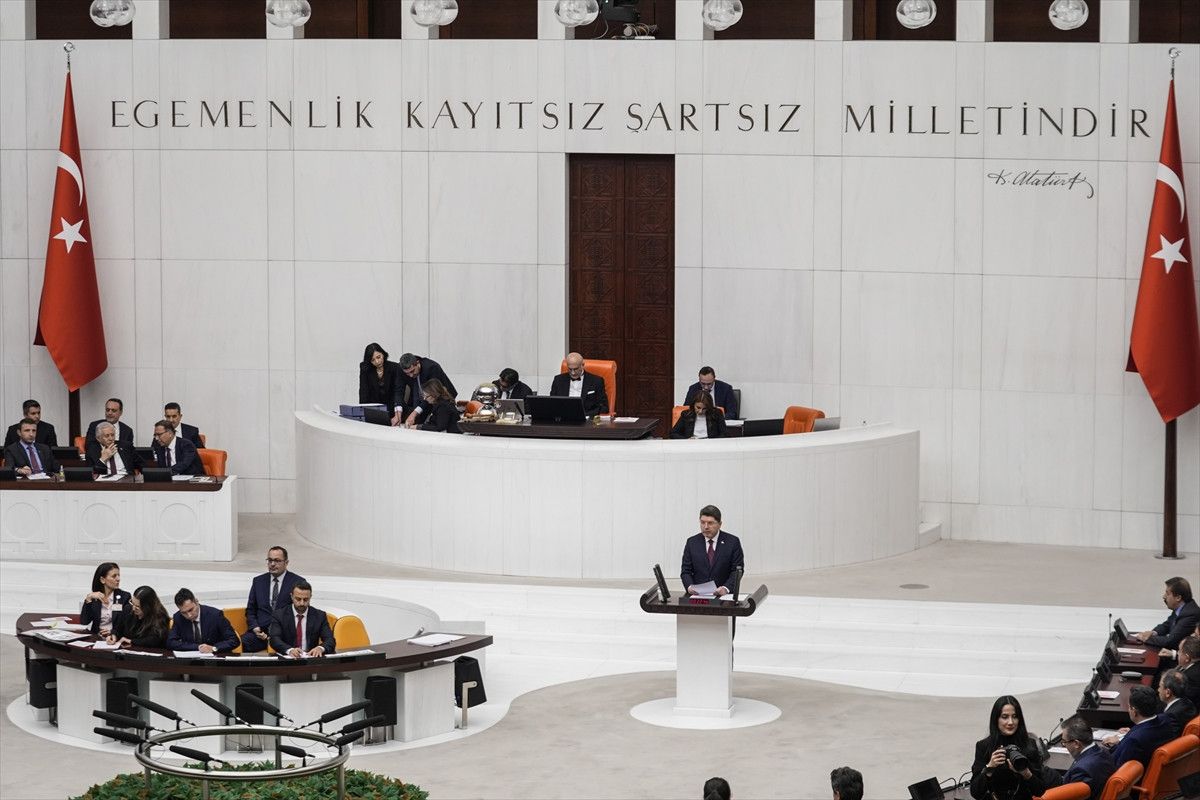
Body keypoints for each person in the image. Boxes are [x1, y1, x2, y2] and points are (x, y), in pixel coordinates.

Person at [969, 695, 1049, 800]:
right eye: (1005, 717)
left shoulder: (1029, 745)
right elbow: (975, 793)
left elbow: (1040, 791)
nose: (1011, 722)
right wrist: (989, 767)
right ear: (996, 719)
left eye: (1015, 716)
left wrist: (1026, 773)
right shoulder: (984, 746)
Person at [241, 546, 305, 652]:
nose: (272, 564)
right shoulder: (258, 581)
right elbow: (251, 610)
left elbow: (301, 610)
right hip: (260, 633)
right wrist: (255, 627)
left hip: (284, 635)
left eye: (277, 561)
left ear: (286, 562)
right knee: (238, 643)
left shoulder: (298, 582)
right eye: (270, 560)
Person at [1042, 716, 1115, 800]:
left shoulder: (1081, 770)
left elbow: (1072, 796)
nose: (1064, 745)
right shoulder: (1104, 752)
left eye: (1064, 742)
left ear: (1076, 744)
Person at [680, 505, 744, 597]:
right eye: (702, 522)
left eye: (710, 523)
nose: (706, 527)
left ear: (720, 524)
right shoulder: (692, 542)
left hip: (724, 596)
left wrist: (726, 588)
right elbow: (686, 571)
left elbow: (737, 570)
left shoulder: (732, 542)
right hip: (698, 597)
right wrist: (690, 587)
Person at [1109, 685, 1175, 770]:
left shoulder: (1134, 740)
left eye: (1129, 707)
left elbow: (1118, 770)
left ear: (1134, 711)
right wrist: (1125, 738)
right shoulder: (1165, 720)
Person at [269, 580, 336, 658]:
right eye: (298, 599)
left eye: (306, 599)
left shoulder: (319, 616)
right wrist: (289, 650)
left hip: (310, 659)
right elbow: (274, 639)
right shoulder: (279, 615)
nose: (302, 603)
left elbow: (330, 640)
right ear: (291, 596)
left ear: (310, 597)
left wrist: (320, 648)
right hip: (288, 659)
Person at [165, 588, 238, 653]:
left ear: (196, 601)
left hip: (216, 659)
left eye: (190, 610)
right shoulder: (178, 617)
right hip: (192, 660)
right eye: (184, 613)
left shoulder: (215, 615)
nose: (189, 615)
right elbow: (171, 642)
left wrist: (214, 648)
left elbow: (234, 640)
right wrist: (197, 647)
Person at [1135, 577, 1199, 650]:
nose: (1164, 596)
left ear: (1178, 598)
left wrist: (1146, 638)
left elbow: (1170, 641)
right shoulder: (1182, 607)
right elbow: (1167, 625)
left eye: (1167, 593)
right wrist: (1153, 633)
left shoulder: (1190, 614)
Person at [398, 353, 457, 426]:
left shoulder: (432, 368)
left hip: (441, 402)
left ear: (417, 363)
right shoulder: (406, 371)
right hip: (425, 400)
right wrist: (414, 413)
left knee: (437, 425)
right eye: (407, 373)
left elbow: (433, 394)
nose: (411, 375)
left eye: (412, 371)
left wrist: (415, 413)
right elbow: (415, 393)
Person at [549, 352, 608, 416]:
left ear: (582, 365)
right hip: (564, 418)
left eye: (576, 369)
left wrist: (584, 415)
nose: (573, 373)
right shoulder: (558, 380)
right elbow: (552, 403)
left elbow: (604, 407)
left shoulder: (596, 381)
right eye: (570, 369)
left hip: (586, 418)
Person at [359, 342, 405, 425]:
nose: (377, 361)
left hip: (392, 408)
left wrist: (396, 413)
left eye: (378, 357)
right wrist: (363, 413)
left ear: (383, 354)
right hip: (373, 409)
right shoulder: (365, 369)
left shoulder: (394, 367)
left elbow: (397, 391)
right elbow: (363, 392)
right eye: (373, 360)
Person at [80, 562, 130, 637]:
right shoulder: (94, 597)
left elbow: (126, 623)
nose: (118, 579)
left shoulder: (125, 597)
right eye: (114, 576)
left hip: (115, 637)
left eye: (118, 575)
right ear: (102, 580)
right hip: (96, 636)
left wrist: (113, 632)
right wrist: (88, 598)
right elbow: (84, 621)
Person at [1159, 668, 1197, 735]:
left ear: (1168, 692)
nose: (1158, 690)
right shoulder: (1188, 703)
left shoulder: (1170, 716)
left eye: (1160, 686)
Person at [1177, 635, 1200, 705]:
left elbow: (1179, 702)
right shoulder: (1191, 664)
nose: (1177, 653)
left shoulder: (1190, 678)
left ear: (1187, 658)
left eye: (1179, 651)